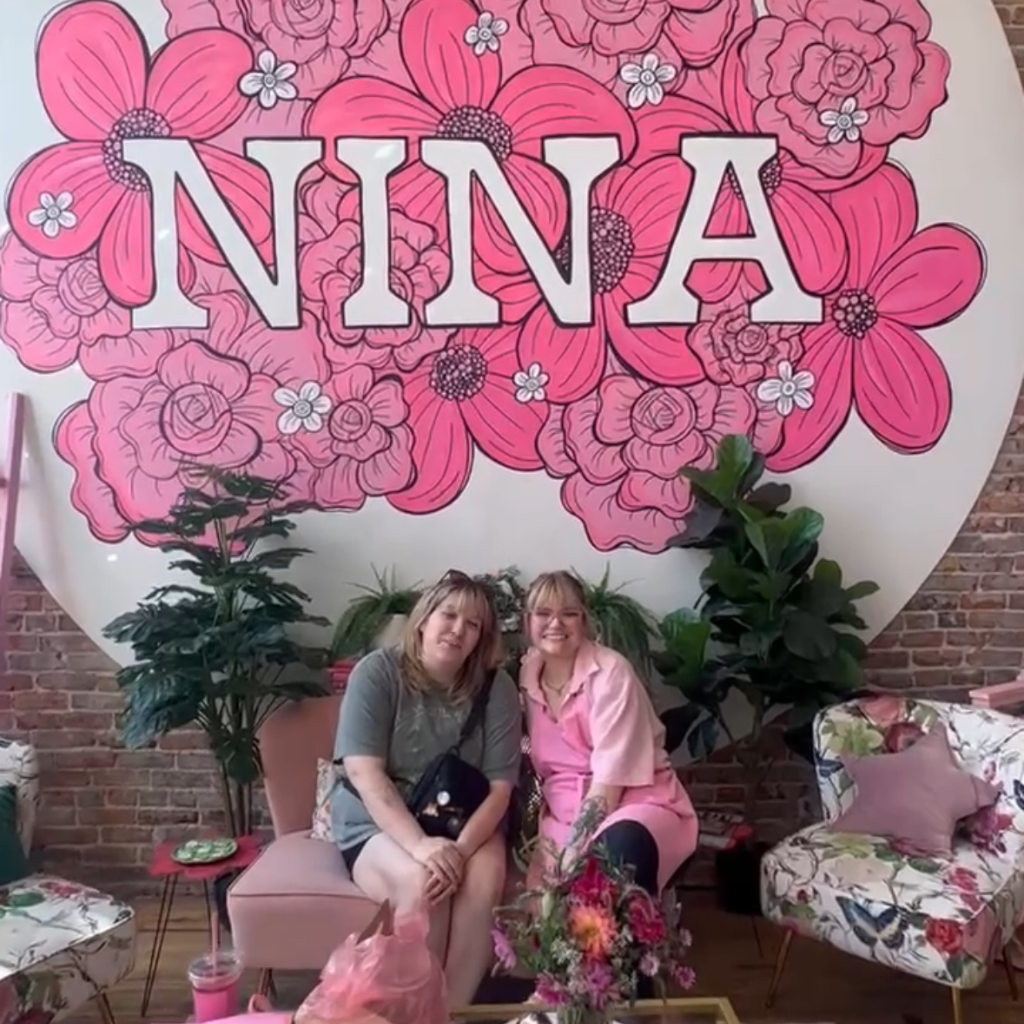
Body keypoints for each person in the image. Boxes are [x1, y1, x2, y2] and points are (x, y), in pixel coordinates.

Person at [332, 570, 522, 1009]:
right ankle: (421, 1015)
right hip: (379, 821)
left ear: (482, 637)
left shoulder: (498, 689)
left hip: (468, 818)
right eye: (449, 615)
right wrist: (421, 846)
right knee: (425, 884)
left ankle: (447, 1012)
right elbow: (364, 774)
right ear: (424, 618)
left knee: (482, 887)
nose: (458, 629)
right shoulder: (377, 674)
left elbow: (500, 790)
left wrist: (456, 849)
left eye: (472, 624)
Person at [521, 570, 699, 897]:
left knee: (614, 859)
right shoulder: (527, 676)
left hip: (633, 804)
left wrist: (573, 853)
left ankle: (634, 943)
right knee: (539, 924)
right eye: (543, 613)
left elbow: (609, 784)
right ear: (527, 621)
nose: (555, 624)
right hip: (560, 818)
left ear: (584, 620)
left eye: (569, 614)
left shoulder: (610, 672)